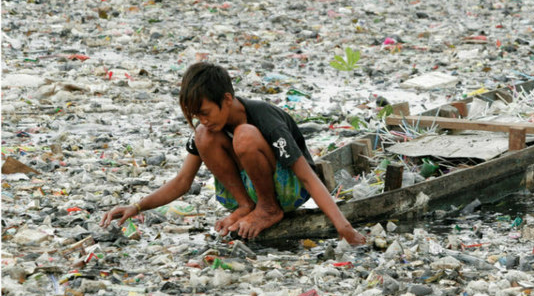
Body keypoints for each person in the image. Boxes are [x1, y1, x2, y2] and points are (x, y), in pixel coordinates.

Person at [100, 62, 365, 245]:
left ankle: (268, 209)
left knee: (245, 135)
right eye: (196, 115)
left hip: (288, 190)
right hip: (248, 193)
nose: (202, 120)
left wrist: (344, 227)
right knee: (203, 136)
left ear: (227, 99)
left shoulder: (264, 118)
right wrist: (136, 207)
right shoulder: (208, 128)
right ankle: (246, 206)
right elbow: (182, 182)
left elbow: (307, 176)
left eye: (205, 112)